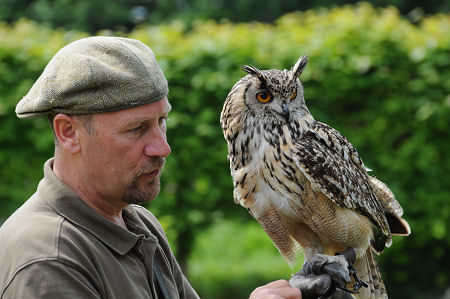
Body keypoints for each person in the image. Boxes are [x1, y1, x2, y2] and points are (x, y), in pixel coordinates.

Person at [0, 36, 303, 299]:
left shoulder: (136, 222)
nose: (162, 148)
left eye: (161, 121)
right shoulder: (48, 260)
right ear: (68, 133)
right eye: (136, 129)